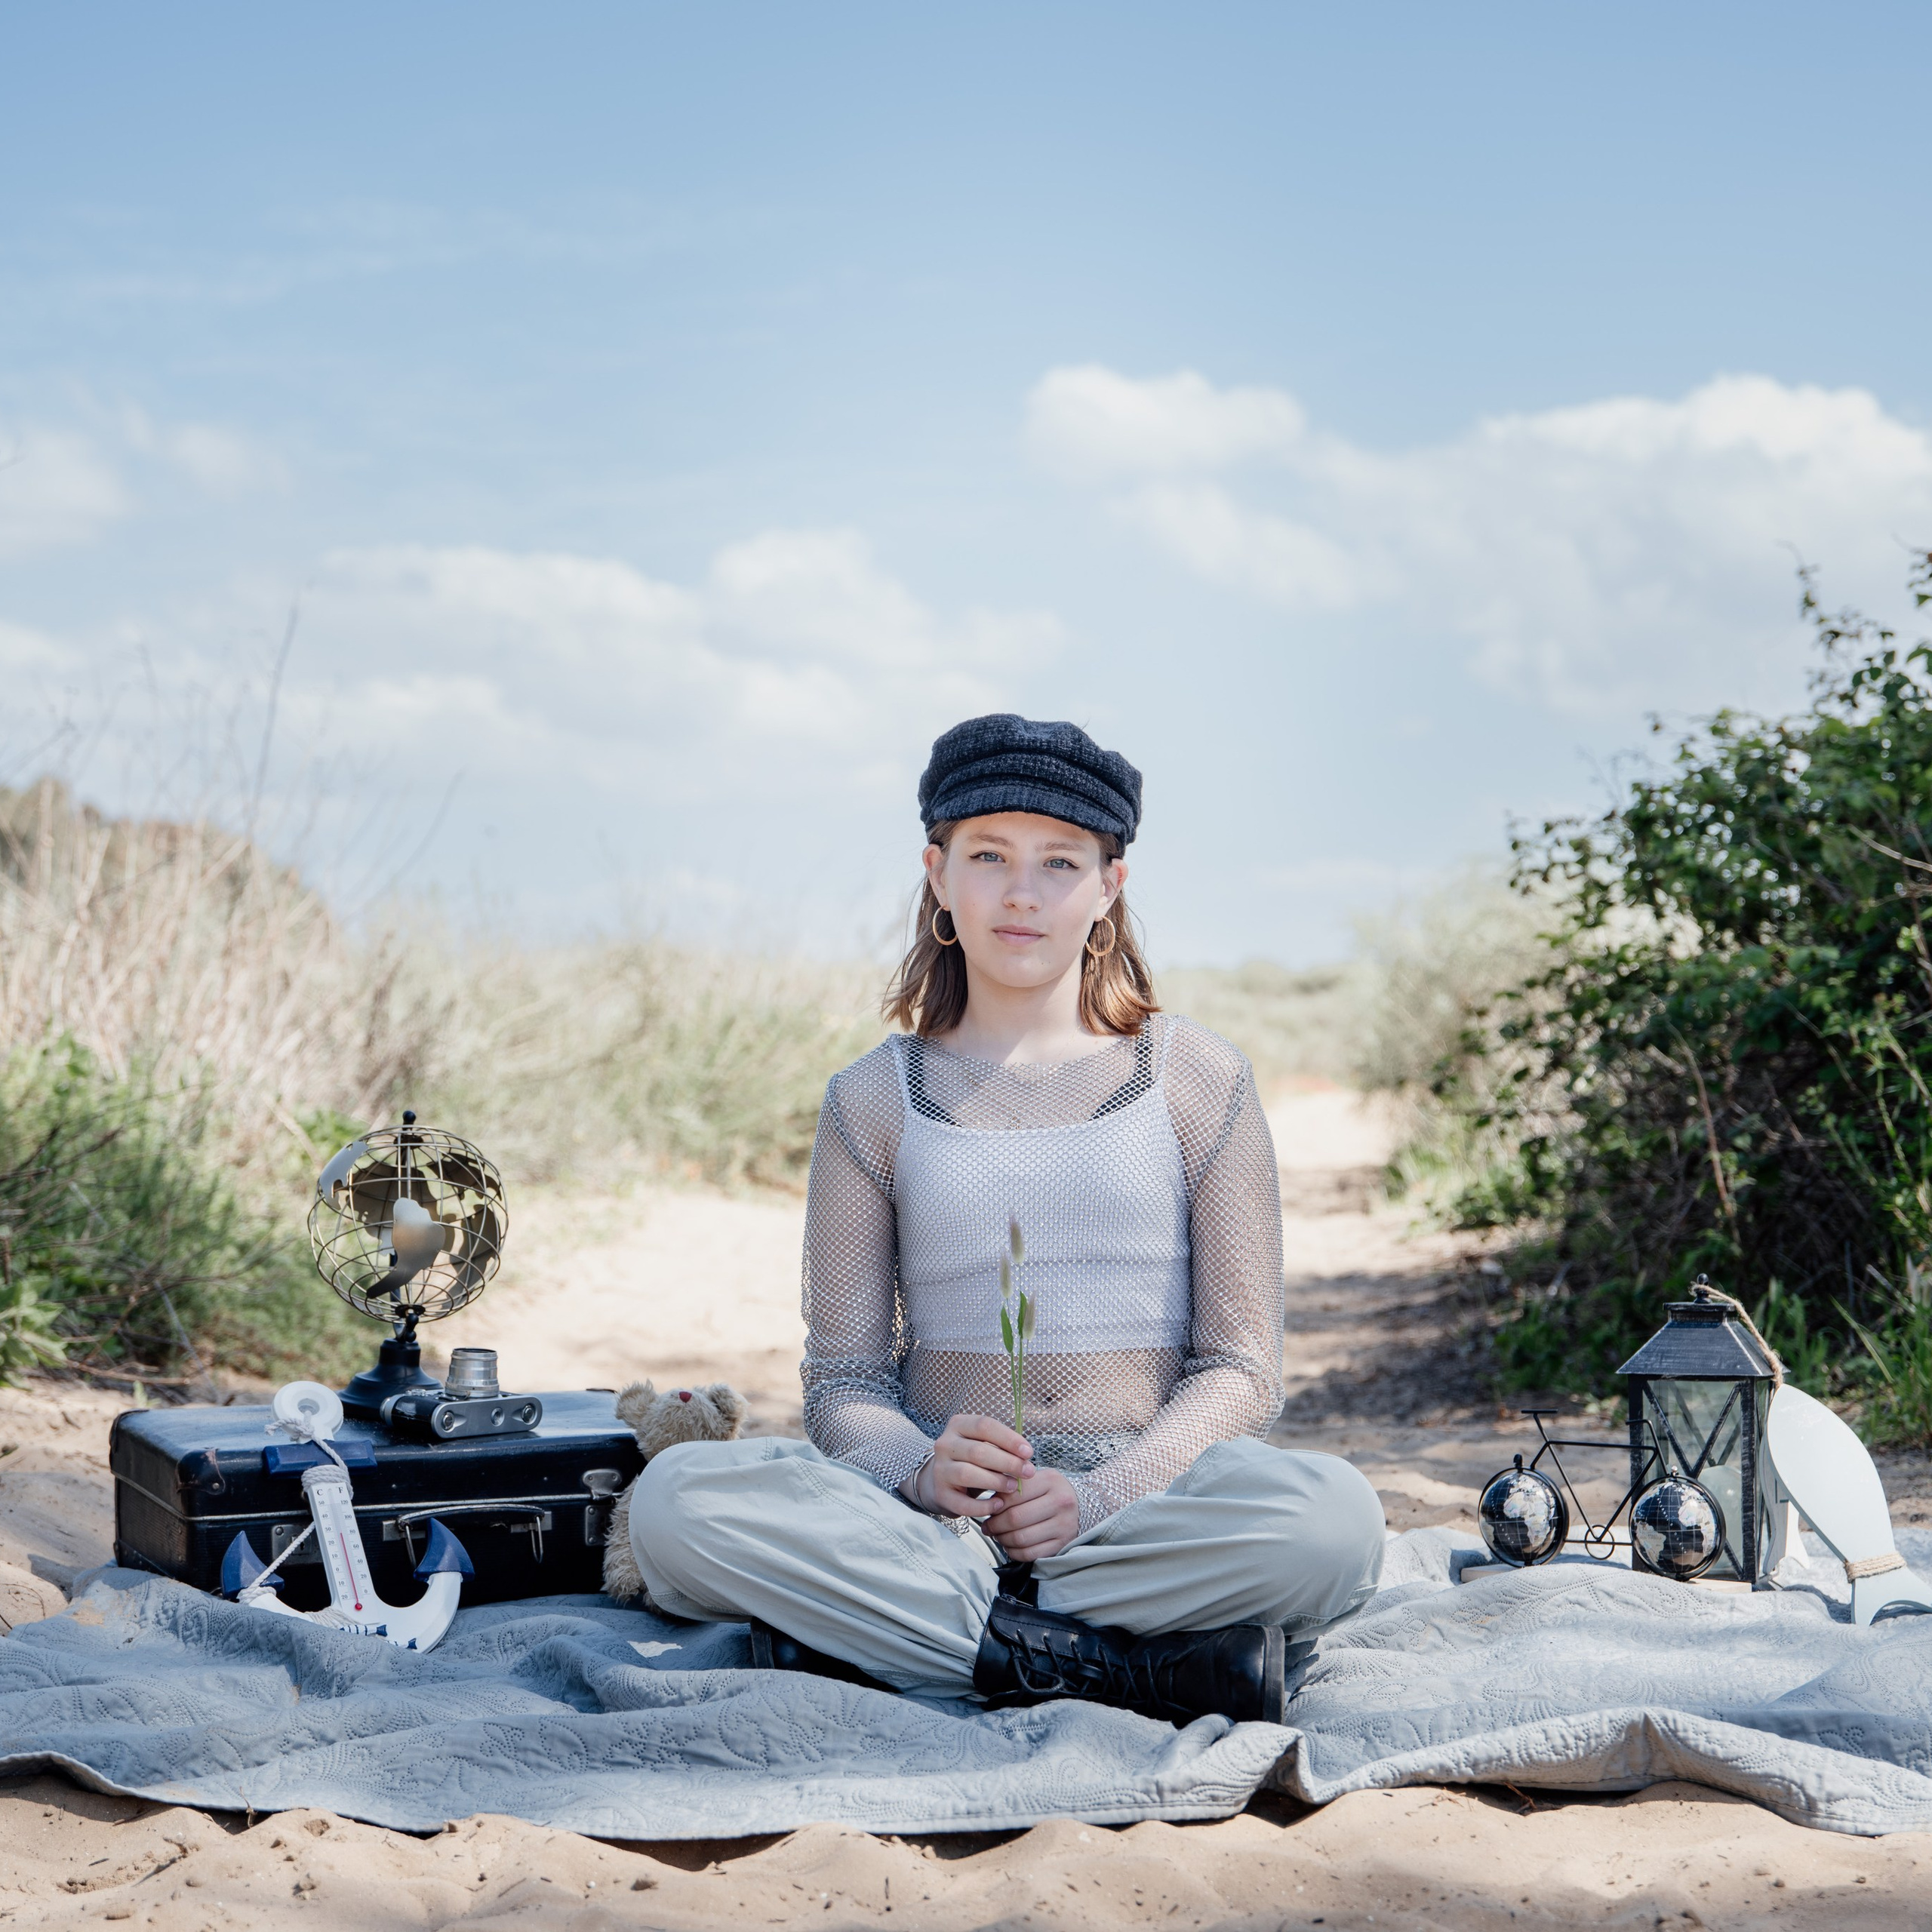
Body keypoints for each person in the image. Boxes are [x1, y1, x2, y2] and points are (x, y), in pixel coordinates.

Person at [628, 714, 1384, 1724]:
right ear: (939, 873)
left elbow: (1242, 1369)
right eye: (989, 856)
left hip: (1139, 1513)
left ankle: (923, 1640)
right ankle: (1124, 1667)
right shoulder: (870, 1098)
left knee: (1338, 1525)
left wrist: (1104, 1496)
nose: (1022, 893)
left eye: (1059, 862)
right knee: (676, 1509)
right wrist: (917, 1470)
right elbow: (844, 1381)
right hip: (934, 1526)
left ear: (1110, 885)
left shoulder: (1200, 1079)